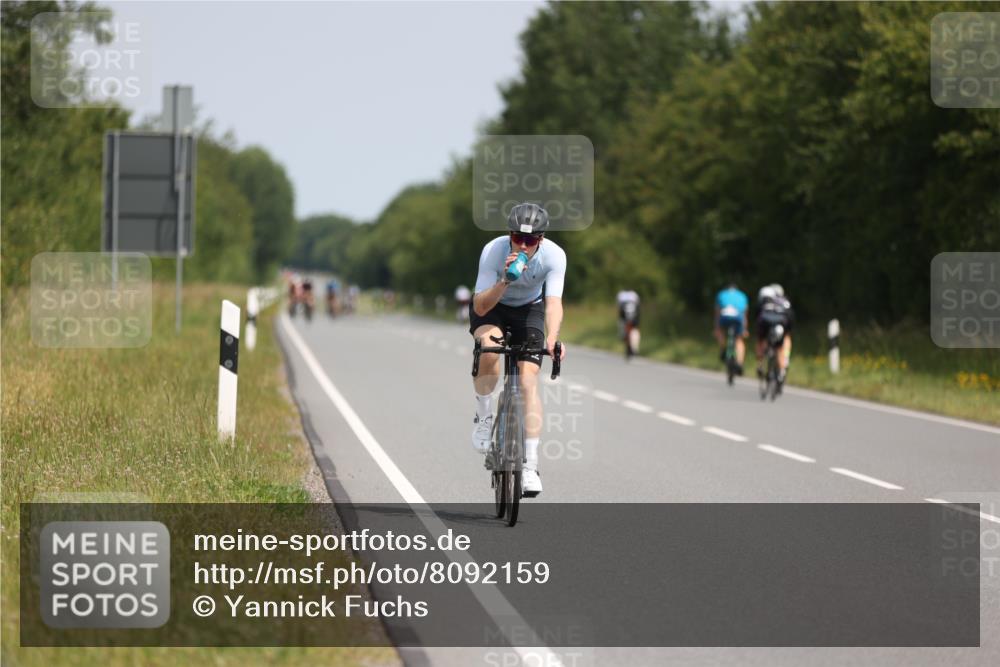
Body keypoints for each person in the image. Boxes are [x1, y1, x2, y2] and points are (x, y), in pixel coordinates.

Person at [470, 203, 566, 497]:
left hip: (530, 311)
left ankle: (529, 467)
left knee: (527, 382)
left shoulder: (554, 256)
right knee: (489, 348)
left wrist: (553, 338)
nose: (523, 245)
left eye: (531, 240)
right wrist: (505, 280)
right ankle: (484, 418)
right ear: (509, 234)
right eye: (518, 238)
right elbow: (480, 306)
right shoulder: (493, 251)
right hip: (493, 307)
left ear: (542, 239)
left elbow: (553, 303)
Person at [755, 284, 794, 384]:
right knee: (781, 346)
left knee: (761, 340)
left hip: (765, 323)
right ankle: (782, 368)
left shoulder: (765, 300)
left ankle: (760, 364)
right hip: (782, 323)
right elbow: (790, 317)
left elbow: (758, 315)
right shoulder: (785, 301)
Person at [714, 282, 749, 374]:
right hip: (738, 317)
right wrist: (744, 329)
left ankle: (723, 349)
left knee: (721, 331)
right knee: (739, 339)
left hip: (724, 316)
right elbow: (745, 315)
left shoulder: (721, 294)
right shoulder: (742, 295)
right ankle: (740, 363)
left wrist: (717, 328)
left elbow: (717, 312)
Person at [616, 290, 641, 358]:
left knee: (623, 329)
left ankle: (623, 337)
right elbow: (638, 304)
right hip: (634, 315)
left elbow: (618, 306)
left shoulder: (621, 295)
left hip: (624, 316)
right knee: (635, 329)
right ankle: (635, 347)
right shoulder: (634, 294)